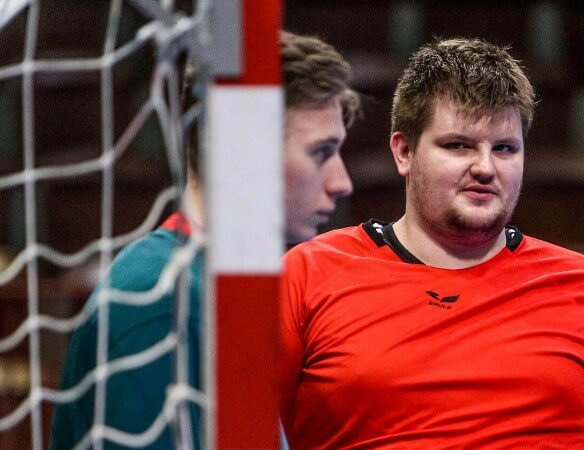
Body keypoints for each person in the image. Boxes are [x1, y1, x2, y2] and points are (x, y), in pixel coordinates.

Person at [280, 37, 584, 449]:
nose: (485, 167)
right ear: (404, 152)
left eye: (505, 148)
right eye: (459, 145)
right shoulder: (307, 275)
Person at [50, 31, 358, 449]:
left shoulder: (206, 287)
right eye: (321, 152)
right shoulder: (159, 302)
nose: (342, 183)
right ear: (245, 150)